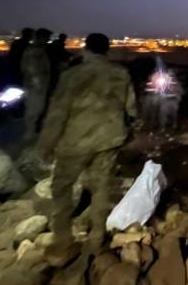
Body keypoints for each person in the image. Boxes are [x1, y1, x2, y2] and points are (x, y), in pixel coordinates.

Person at [37, 33, 137, 265]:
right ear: (107, 50)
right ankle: (96, 238)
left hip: (76, 141)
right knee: (100, 187)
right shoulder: (121, 74)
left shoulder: (72, 75)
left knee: (61, 187)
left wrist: (46, 145)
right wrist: (127, 131)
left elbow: (57, 114)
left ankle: (62, 240)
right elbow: (131, 108)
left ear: (86, 49)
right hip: (109, 140)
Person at [21, 28, 52, 140]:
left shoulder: (38, 50)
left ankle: (31, 131)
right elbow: (32, 69)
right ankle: (29, 133)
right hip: (35, 86)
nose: (48, 40)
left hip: (37, 85)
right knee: (34, 109)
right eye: (47, 38)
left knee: (35, 109)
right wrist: (38, 85)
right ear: (41, 38)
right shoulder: (35, 51)